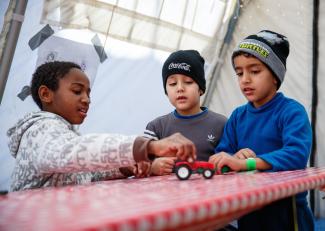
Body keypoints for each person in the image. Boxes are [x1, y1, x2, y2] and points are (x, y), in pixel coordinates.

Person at [8, 61, 196, 191]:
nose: (86, 99)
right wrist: (148, 146)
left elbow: (84, 173)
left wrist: (125, 167)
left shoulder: (63, 133)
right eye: (76, 91)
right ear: (46, 94)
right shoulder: (40, 131)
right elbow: (76, 151)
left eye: (88, 93)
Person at [209, 30, 314, 230]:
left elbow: (296, 154)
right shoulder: (237, 116)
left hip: (287, 213)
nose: (245, 79)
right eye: (239, 73)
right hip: (249, 211)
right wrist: (233, 157)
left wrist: (246, 164)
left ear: (275, 76)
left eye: (254, 71)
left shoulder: (292, 111)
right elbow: (221, 155)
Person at [143, 50, 227, 175]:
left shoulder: (222, 124)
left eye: (188, 82)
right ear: (166, 91)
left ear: (201, 89)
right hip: (166, 193)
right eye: (172, 83)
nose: (180, 88)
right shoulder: (156, 127)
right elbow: (137, 162)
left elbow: (230, 160)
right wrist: (152, 167)